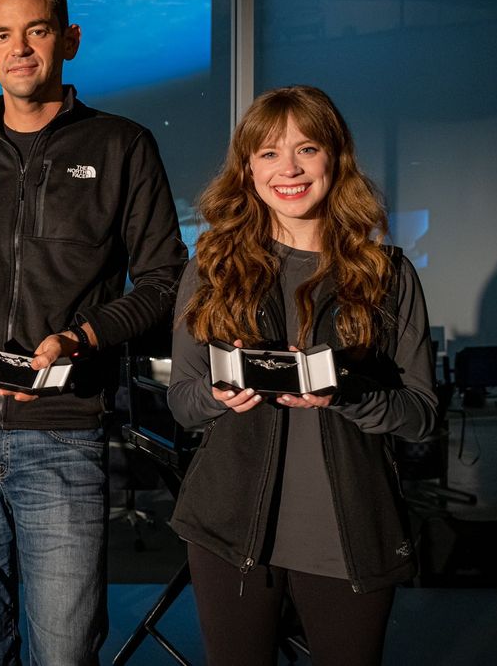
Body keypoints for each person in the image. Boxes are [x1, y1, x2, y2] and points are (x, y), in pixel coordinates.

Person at [0, 0, 187, 665]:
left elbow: (165, 279)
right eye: (3, 35)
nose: (20, 49)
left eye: (36, 31)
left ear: (68, 38)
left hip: (65, 435)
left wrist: (85, 335)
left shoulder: (121, 146)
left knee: (65, 651)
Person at [168, 85, 438, 665]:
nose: (287, 168)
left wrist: (349, 393)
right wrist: (218, 396)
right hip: (230, 530)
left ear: (335, 158)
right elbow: (183, 402)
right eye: (267, 153)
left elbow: (420, 416)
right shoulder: (212, 266)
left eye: (306, 149)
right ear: (247, 167)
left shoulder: (387, 273)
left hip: (349, 535)